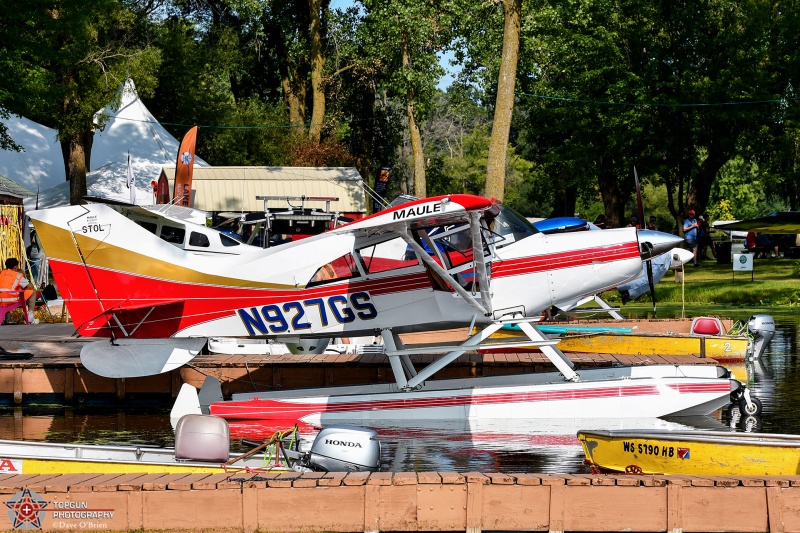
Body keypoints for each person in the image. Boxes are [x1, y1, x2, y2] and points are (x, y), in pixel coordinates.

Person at [0, 258, 36, 324]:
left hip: (1, 299)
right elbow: (30, 286)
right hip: (11, 299)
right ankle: (30, 315)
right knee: (32, 291)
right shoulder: (17, 275)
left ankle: (8, 318)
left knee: (5, 294)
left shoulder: (1, 273)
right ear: (15, 267)